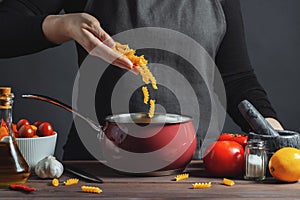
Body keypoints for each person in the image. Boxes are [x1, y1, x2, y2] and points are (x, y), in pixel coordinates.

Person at [0, 0, 283, 160]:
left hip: (195, 169)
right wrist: (62, 25)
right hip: (96, 167)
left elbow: (237, 80)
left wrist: (273, 133)